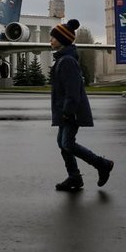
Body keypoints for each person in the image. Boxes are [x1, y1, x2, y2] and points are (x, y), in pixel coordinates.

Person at [49, 19, 113, 192]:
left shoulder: (67, 61)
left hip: (70, 111)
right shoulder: (63, 59)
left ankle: (102, 164)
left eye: (54, 38)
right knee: (62, 143)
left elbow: (73, 90)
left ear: (62, 40)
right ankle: (74, 177)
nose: (51, 41)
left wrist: (67, 111)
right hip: (65, 109)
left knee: (67, 143)